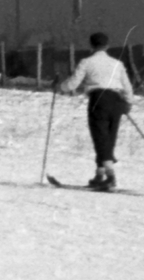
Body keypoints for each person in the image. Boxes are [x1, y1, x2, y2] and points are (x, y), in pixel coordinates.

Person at [56, 31, 135, 191]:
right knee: (109, 138)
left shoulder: (87, 62)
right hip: (117, 101)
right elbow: (127, 86)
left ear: (91, 45)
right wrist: (128, 102)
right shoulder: (117, 64)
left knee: (100, 137)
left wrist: (59, 87)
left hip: (99, 100)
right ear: (107, 45)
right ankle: (100, 175)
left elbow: (73, 84)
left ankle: (111, 177)